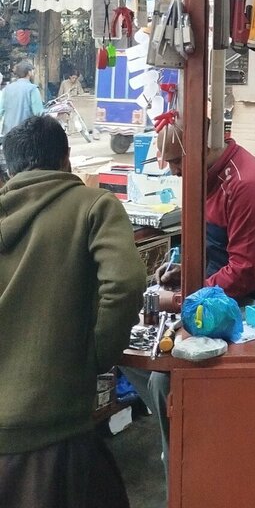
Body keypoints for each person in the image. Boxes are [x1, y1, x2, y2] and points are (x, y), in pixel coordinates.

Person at [122, 121, 255, 490]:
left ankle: (184, 473)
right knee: (123, 347)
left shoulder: (247, 185)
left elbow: (244, 274)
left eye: (176, 162)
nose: (173, 171)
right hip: (218, 296)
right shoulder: (206, 178)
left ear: (201, 148)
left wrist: (183, 300)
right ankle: (182, 428)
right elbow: (208, 245)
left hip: (254, 308)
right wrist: (181, 267)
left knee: (165, 380)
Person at [0, 115, 146, 508]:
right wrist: (97, 354)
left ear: (11, 169)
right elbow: (126, 283)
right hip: (55, 429)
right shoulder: (93, 205)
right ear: (66, 159)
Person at [0, 60, 43, 136]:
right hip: (25, 133)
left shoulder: (7, 89)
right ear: (29, 72)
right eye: (33, 71)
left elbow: (0, 111)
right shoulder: (32, 89)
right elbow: (38, 113)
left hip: (8, 133)